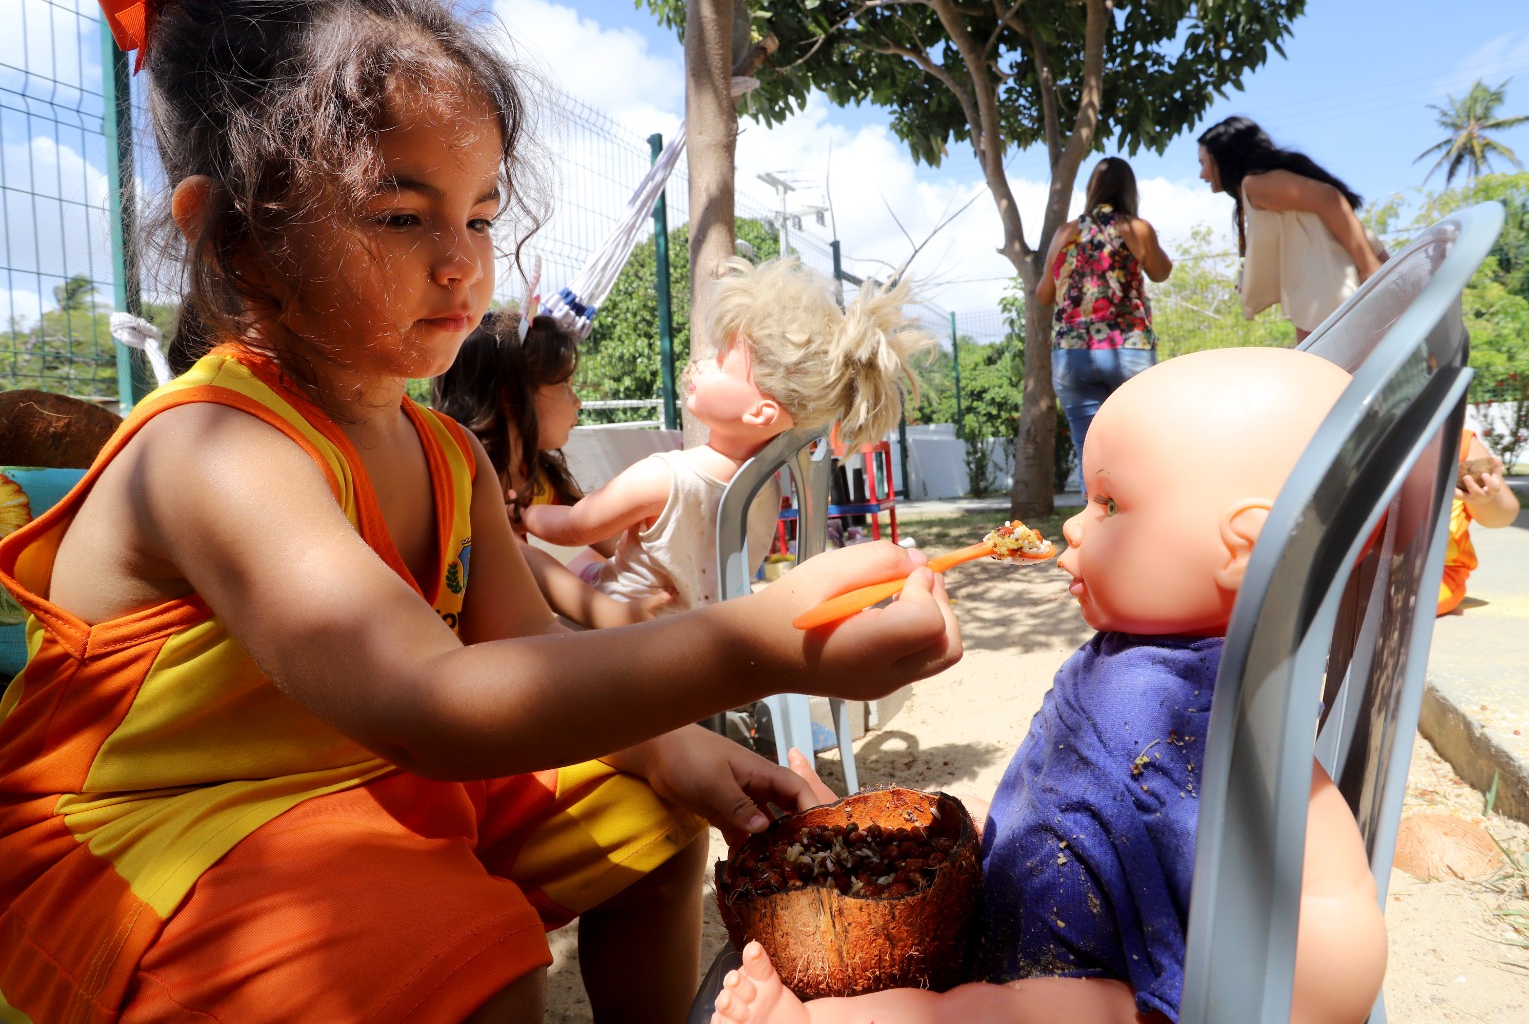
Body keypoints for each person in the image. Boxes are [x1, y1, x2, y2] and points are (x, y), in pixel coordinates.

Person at [0, 0, 963, 1023]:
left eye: (482, 217)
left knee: (644, 810)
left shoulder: (446, 454)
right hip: (153, 832)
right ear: (239, 241)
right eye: (402, 216)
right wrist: (763, 639)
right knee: (462, 947)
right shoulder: (216, 448)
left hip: (357, 775)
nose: (461, 264)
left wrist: (674, 744)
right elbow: (431, 703)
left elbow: (526, 655)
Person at [709, 348, 1389, 1024]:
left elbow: (1329, 893)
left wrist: (1306, 999)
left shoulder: (1216, 712)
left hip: (1110, 983)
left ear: (1248, 548)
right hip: (1051, 906)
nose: (1074, 523)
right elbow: (1080, 791)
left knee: (987, 1013)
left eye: (1109, 504)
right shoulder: (1130, 654)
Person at [526, 257, 931, 617]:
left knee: (531, 561)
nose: (700, 365)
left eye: (720, 362)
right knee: (588, 558)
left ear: (760, 412)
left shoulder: (663, 476)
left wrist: (526, 512)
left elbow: (576, 526)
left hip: (627, 634)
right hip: (704, 633)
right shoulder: (763, 487)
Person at [433, 309, 670, 628]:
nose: (578, 402)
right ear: (513, 397)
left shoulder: (537, 473)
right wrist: (611, 613)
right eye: (564, 385)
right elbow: (517, 556)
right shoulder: (461, 469)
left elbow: (595, 528)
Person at [1197, 116, 1387, 344]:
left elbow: (1329, 199)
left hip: (1336, 300)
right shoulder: (1254, 191)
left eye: (1203, 163)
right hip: (1324, 301)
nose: (1202, 174)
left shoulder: (1255, 184)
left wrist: (1370, 269)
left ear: (1223, 158)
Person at [1036, 157, 1172, 467]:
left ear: (1091, 190)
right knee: (1138, 449)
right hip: (1128, 347)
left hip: (1071, 353)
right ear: (1129, 191)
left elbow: (1043, 294)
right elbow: (1161, 272)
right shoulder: (1136, 228)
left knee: (1091, 455)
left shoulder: (1065, 233)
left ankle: (1095, 512)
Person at [1437, 428, 1520, 615]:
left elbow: (1503, 516)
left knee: (1394, 605)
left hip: (1438, 572)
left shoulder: (1459, 444)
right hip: (1367, 562)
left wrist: (1487, 500)